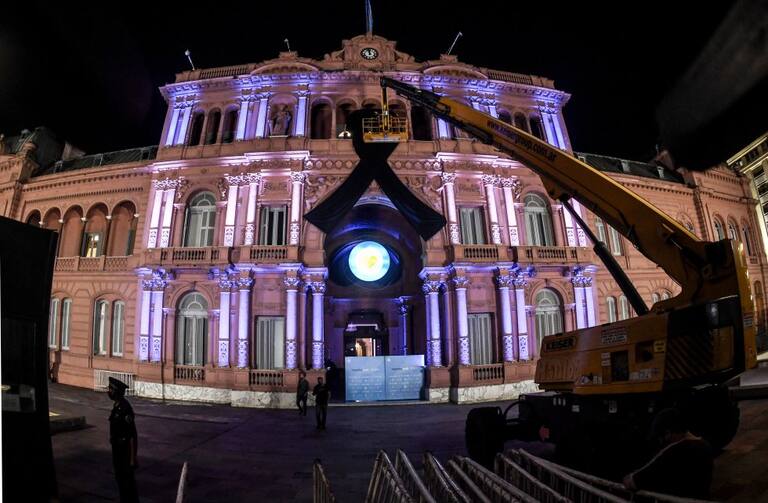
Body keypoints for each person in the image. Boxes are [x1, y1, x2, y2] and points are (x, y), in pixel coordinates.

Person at [623, 408, 713, 499]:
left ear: (668, 433)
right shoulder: (705, 446)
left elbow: (633, 481)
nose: (661, 442)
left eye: (660, 438)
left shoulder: (675, 450)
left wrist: (630, 478)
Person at [108, 377, 139, 503]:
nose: (109, 391)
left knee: (128, 484)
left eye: (111, 389)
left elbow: (132, 435)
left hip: (124, 452)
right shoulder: (117, 406)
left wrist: (132, 459)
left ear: (117, 391)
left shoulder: (125, 408)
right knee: (120, 481)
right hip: (117, 451)